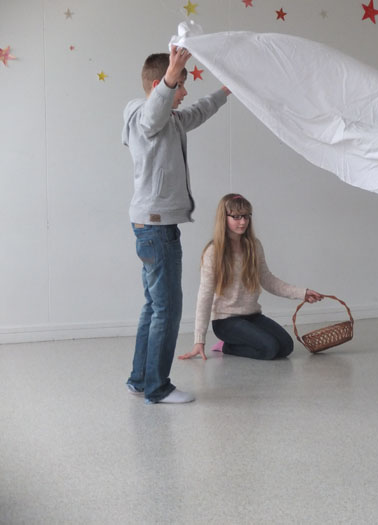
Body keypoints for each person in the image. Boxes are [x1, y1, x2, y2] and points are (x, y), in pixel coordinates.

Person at [122, 46, 230, 404]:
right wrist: (172, 74)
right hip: (156, 227)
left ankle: (140, 380)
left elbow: (197, 112)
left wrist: (226, 91)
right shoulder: (145, 117)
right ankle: (158, 387)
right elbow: (154, 112)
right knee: (166, 309)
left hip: (152, 226)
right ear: (160, 85)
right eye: (180, 85)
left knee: (154, 306)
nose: (184, 92)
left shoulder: (170, 120)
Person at [178, 193, 323, 362]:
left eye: (246, 216)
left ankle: (239, 342)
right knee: (270, 348)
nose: (243, 222)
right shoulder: (213, 252)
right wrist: (199, 340)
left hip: (252, 316)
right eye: (236, 217)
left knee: (286, 347)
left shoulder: (254, 246)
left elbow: (268, 280)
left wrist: (302, 293)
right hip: (225, 321)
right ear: (224, 218)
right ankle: (226, 346)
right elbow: (205, 296)